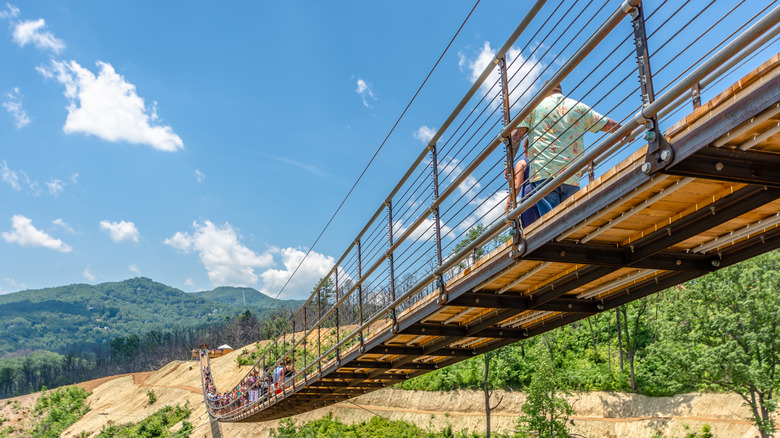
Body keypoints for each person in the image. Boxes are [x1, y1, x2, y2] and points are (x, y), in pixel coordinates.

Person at [510, 83, 622, 226]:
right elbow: (606, 123)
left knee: (552, 224)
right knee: (570, 223)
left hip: (543, 174)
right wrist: (623, 130)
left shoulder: (534, 107)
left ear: (543, 92)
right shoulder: (579, 107)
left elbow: (516, 138)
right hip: (572, 174)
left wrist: (508, 164)